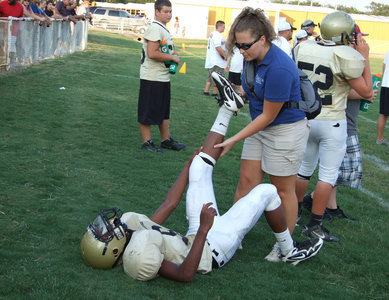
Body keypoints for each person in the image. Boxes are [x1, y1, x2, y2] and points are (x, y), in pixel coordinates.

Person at [80, 98, 324, 282]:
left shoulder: (132, 230)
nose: (109, 227)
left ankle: (228, 107)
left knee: (199, 166)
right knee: (267, 191)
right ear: (112, 251)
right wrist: (206, 228)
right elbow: (184, 274)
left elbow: (168, 204)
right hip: (214, 248)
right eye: (105, 234)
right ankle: (289, 250)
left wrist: (188, 166)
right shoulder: (137, 257)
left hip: (196, 234)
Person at [212, 7, 309, 262]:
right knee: (246, 183)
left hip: (285, 131)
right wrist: (238, 93)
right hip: (261, 127)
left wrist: (232, 139)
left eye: (246, 46)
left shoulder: (280, 67)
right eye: (238, 46)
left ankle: (285, 247)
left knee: (283, 191)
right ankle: (231, 234)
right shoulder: (250, 57)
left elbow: (269, 116)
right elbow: (251, 87)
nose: (242, 51)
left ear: (263, 38)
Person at [293, 11, 373, 242]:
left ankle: (295, 212)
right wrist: (365, 56)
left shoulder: (303, 47)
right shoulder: (346, 55)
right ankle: (314, 225)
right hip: (332, 122)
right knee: (327, 175)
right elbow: (367, 91)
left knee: (304, 170)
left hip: (307, 117)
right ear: (344, 33)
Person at [138, 0, 185, 153]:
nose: (169, 14)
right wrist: (172, 58)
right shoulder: (155, 28)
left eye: (170, 12)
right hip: (152, 77)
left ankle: (166, 140)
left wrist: (171, 55)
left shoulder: (162, 28)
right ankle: (147, 142)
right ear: (157, 12)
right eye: (165, 11)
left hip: (162, 77)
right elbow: (152, 53)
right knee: (148, 111)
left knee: (163, 111)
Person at [203, 20, 227, 97]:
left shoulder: (213, 34)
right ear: (219, 26)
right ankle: (215, 93)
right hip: (217, 61)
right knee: (217, 78)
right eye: (223, 26)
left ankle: (206, 92)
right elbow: (218, 47)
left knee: (210, 78)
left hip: (212, 60)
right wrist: (224, 56)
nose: (224, 28)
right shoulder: (217, 35)